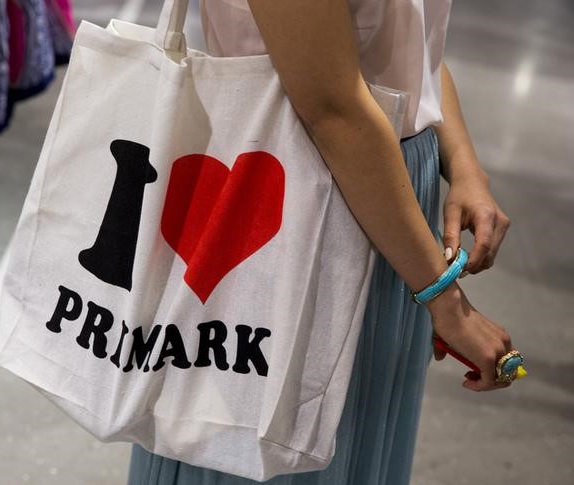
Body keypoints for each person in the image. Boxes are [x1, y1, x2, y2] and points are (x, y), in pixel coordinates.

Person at [128, 0, 517, 483]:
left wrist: (463, 163)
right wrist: (444, 298)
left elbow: (411, 51)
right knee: (261, 434)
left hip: (386, 203)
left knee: (338, 440)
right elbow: (332, 110)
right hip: (296, 190)